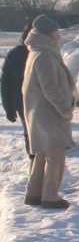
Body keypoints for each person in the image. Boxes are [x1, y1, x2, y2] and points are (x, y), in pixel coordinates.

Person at [22, 15, 75, 209]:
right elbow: (50, 87)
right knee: (56, 153)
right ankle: (50, 196)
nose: (59, 37)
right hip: (49, 113)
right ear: (47, 35)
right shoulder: (44, 55)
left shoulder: (38, 52)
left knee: (43, 153)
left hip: (39, 112)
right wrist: (65, 109)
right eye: (56, 33)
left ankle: (34, 194)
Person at [1, 22, 33, 160]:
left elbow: (5, 83)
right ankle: (38, 167)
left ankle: (35, 164)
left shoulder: (15, 53)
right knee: (34, 135)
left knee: (30, 134)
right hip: (29, 101)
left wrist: (9, 107)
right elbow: (6, 82)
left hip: (21, 102)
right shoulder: (39, 53)